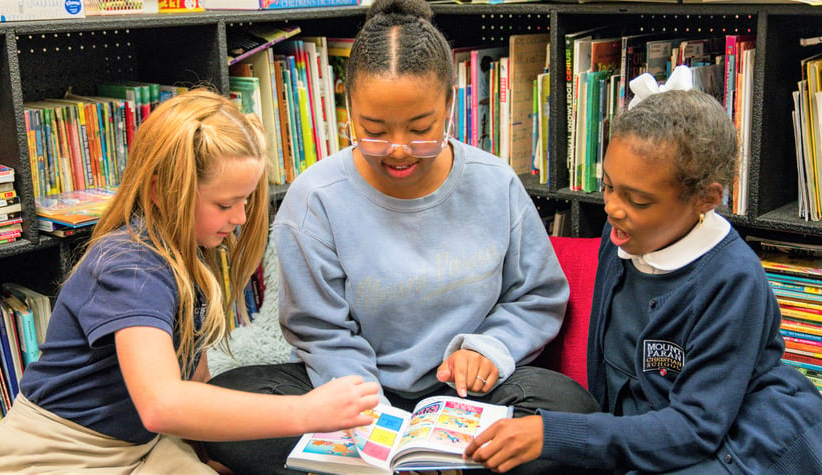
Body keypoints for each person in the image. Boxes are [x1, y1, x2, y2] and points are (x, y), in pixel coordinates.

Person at [202, 0, 600, 473]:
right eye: (373, 130)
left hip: (466, 396)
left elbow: (537, 295)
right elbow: (320, 332)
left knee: (569, 409)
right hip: (352, 394)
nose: (397, 149)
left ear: (451, 104)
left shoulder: (495, 183)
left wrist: (489, 348)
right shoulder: (315, 198)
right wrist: (371, 415)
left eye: (420, 128)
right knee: (230, 402)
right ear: (348, 109)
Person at [0, 88, 379, 474]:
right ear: (162, 190)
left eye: (246, 200)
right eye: (224, 204)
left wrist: (199, 458)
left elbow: (192, 373)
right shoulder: (129, 266)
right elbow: (162, 403)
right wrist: (308, 411)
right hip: (56, 454)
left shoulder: (189, 255)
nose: (240, 218)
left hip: (143, 446)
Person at [465, 87, 822, 474]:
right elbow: (606, 368)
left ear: (706, 198)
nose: (613, 208)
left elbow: (696, 428)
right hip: (649, 429)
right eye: (608, 185)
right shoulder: (621, 236)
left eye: (638, 201)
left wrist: (561, 436)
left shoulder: (732, 280)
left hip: (733, 439)